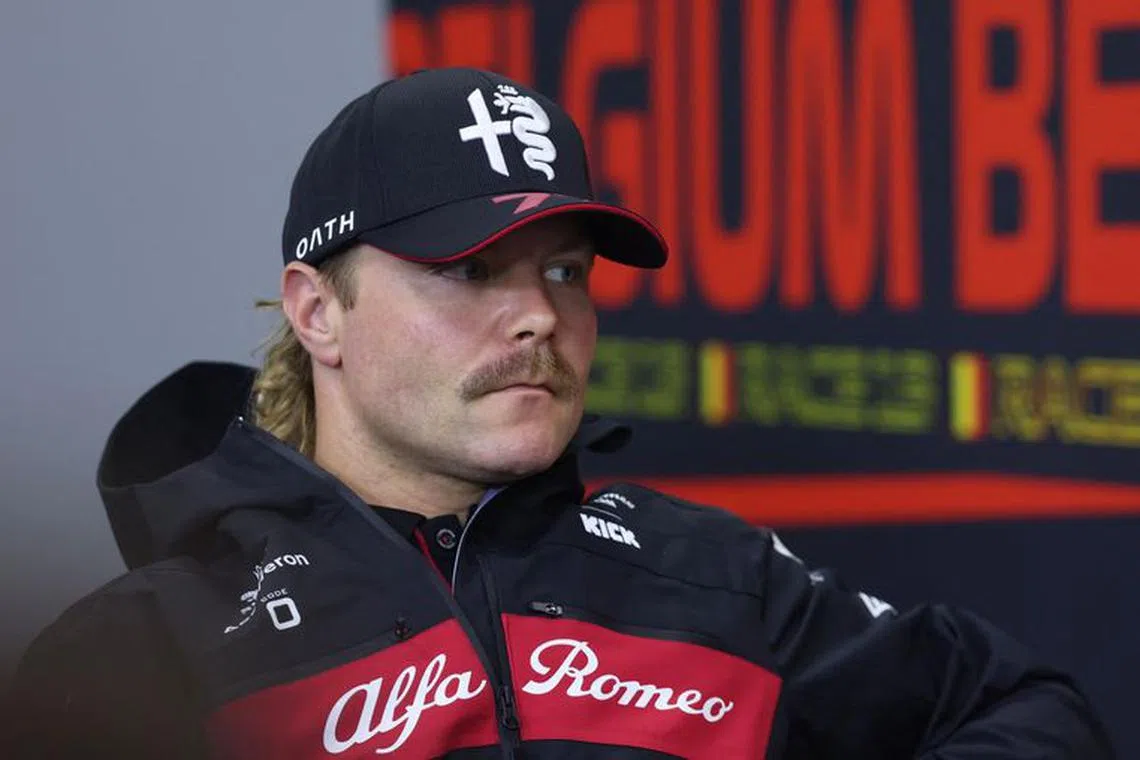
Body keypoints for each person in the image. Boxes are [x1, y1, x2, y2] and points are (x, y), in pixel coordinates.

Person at [3, 67, 1114, 759]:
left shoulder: (718, 581)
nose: (540, 314)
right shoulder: (148, 650)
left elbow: (1029, 710)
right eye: (471, 269)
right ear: (318, 311)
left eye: (567, 271)